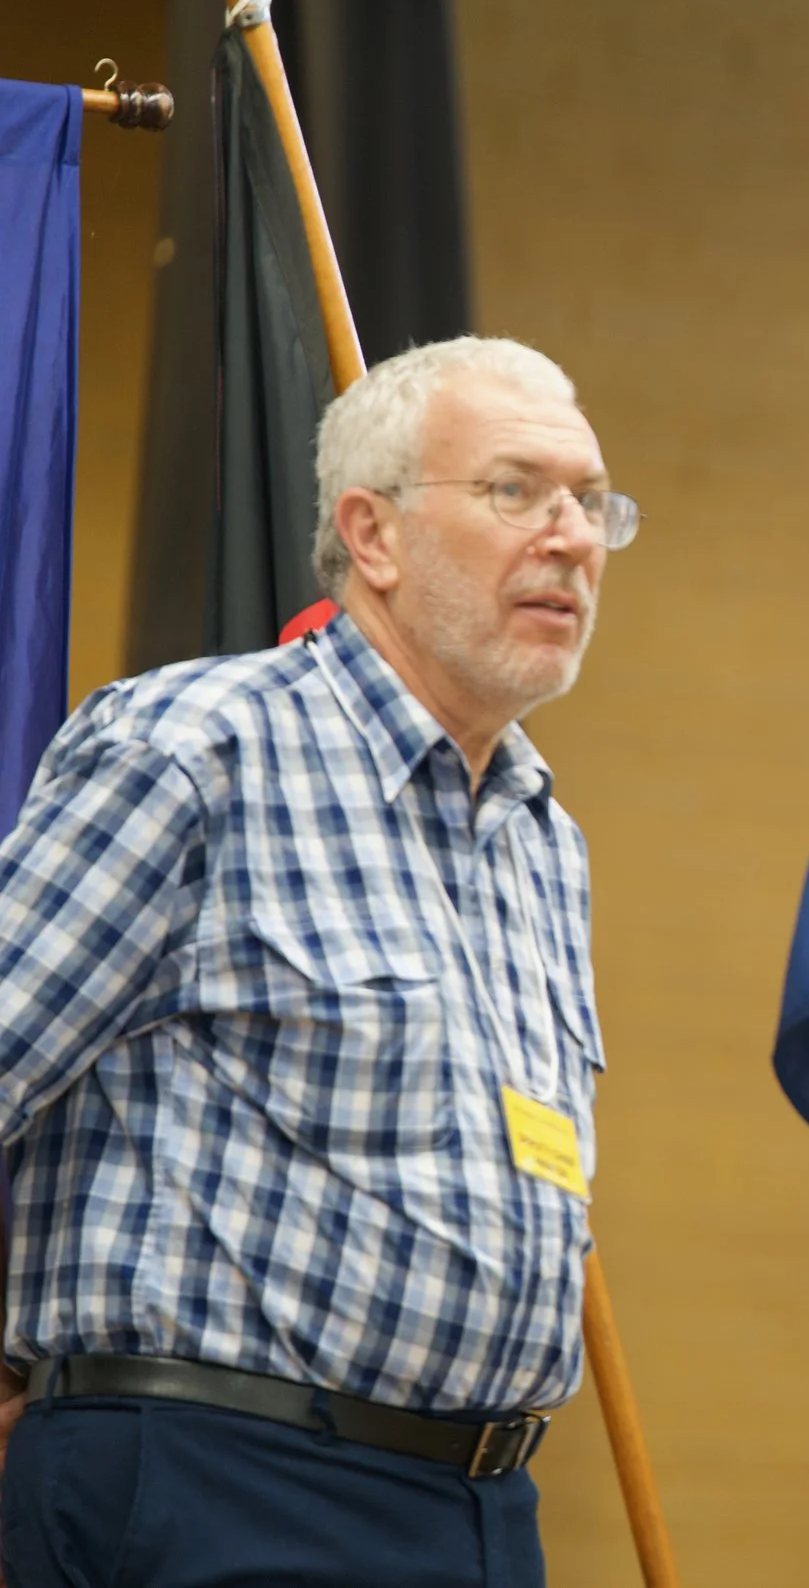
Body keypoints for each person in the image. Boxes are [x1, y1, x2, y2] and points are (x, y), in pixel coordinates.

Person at [0, 336, 637, 1588]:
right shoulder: (196, 745)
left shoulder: (543, 839)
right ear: (374, 533)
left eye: (592, 499)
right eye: (517, 490)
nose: (572, 536)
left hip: (482, 1510)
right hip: (213, 1489)